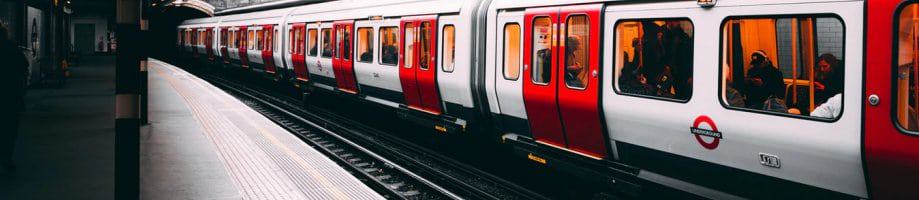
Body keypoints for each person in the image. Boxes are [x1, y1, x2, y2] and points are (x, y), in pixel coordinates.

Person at [0, 23, 29, 174]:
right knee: (9, 129)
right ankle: (6, 156)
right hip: (10, 96)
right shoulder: (11, 48)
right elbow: (24, 66)